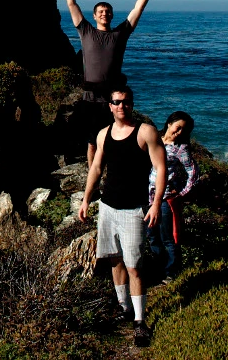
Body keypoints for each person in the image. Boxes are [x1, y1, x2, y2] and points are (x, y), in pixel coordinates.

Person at [78, 86, 166, 348]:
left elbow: (161, 168)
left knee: (134, 266)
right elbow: (96, 167)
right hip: (107, 207)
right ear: (110, 106)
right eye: (116, 102)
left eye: (126, 102)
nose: (121, 107)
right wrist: (85, 199)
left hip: (133, 210)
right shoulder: (104, 134)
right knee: (114, 261)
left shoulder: (145, 132)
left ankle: (140, 322)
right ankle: (123, 307)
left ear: (132, 103)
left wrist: (156, 203)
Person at [55, 0, 160, 165]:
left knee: (111, 140)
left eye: (108, 11)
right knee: (92, 142)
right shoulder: (86, 31)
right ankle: (92, 178)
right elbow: (71, 3)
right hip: (89, 99)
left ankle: (108, 175)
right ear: (94, 16)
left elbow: (137, 9)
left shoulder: (120, 34)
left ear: (112, 15)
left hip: (113, 100)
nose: (104, 13)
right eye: (100, 11)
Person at [145, 111, 198, 284]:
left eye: (184, 130)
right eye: (178, 127)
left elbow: (194, 173)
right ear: (169, 123)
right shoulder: (155, 139)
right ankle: (158, 269)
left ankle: (171, 272)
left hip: (166, 198)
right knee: (151, 234)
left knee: (167, 236)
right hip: (148, 196)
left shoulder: (181, 149)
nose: (180, 132)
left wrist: (181, 192)